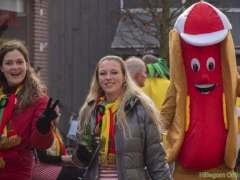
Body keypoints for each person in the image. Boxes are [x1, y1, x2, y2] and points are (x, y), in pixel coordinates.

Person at [72, 55, 170, 179]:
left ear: (124, 77)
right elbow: (79, 160)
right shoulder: (89, 111)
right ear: (98, 79)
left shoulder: (141, 109)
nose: (108, 77)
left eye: (114, 72)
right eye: (103, 73)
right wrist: (81, 156)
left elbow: (157, 161)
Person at [0, 40, 59, 180]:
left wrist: (43, 129)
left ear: (27, 65)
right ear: (1, 68)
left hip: (17, 171)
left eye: (19, 62)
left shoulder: (39, 100)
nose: (15, 67)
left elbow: (41, 144)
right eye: (9, 63)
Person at [32, 104, 86, 180]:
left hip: (52, 166)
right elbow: (43, 158)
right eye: (57, 112)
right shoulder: (42, 130)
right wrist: (69, 158)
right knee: (82, 174)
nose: (60, 115)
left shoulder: (56, 131)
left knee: (83, 171)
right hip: (41, 168)